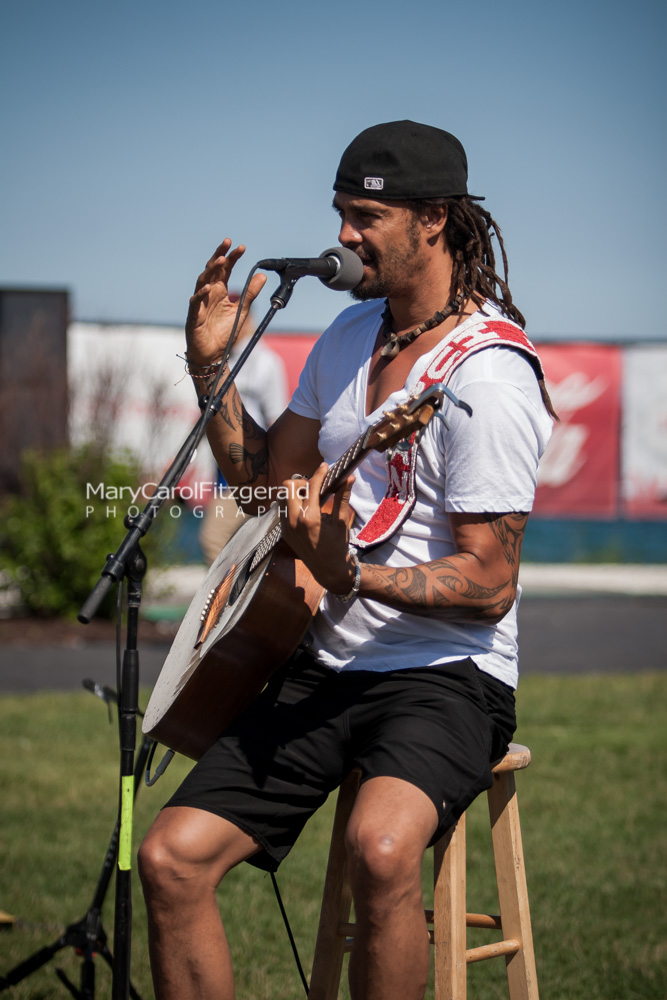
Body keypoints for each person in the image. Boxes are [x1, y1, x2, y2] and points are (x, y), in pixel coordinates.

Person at [138, 119, 555, 1000]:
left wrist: (353, 575)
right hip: (323, 659)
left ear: (434, 219)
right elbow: (263, 490)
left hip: (447, 673)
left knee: (382, 847)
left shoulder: (486, 376)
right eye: (340, 212)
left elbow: (489, 582)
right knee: (169, 858)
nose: (342, 236)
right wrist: (211, 372)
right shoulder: (347, 335)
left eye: (365, 215)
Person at [197, 293, 289, 564]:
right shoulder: (223, 359)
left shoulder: (265, 362)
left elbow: (276, 422)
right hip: (224, 473)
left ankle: (230, 606)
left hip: (253, 475)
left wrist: (274, 482)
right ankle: (240, 603)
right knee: (236, 550)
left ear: (247, 319)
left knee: (213, 539)